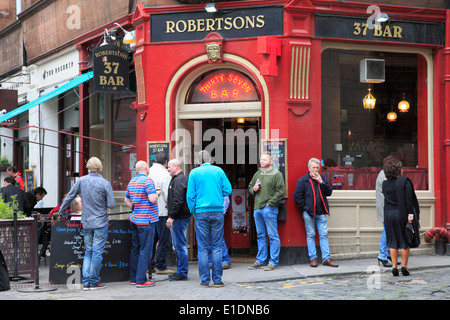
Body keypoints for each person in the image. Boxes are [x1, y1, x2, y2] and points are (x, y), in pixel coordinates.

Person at [59, 157, 115, 290]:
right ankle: (94, 281)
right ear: (100, 168)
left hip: (87, 221)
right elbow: (112, 205)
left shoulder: (82, 181)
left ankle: (86, 282)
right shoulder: (105, 183)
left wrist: (62, 210)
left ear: (88, 167)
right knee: (97, 252)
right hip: (101, 222)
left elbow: (70, 195)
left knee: (88, 251)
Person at [186, 150, 232, 287]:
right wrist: (218, 192)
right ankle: (217, 280)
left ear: (198, 161)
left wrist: (193, 211)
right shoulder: (219, 171)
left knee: (203, 248)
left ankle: (205, 281)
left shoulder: (194, 173)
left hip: (201, 212)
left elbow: (190, 196)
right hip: (217, 211)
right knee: (217, 246)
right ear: (210, 159)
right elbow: (228, 190)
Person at [294, 157, 338, 268]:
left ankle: (326, 258)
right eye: (313, 167)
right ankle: (313, 258)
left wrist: (321, 182)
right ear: (309, 168)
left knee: (324, 234)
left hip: (321, 212)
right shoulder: (302, 180)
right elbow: (297, 197)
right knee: (311, 235)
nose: (315, 169)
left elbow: (329, 192)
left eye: (317, 167)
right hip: (309, 213)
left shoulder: (322, 178)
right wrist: (305, 208)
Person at [382, 157, 420, 276]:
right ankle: (404, 266)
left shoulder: (385, 184)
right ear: (399, 170)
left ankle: (394, 267)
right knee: (404, 241)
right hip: (401, 213)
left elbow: (386, 200)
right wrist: (410, 215)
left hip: (389, 214)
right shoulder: (405, 181)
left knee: (393, 241)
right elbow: (409, 200)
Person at [248, 152, 285, 271]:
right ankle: (261, 260)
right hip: (257, 208)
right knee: (260, 235)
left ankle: (273, 261)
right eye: (261, 159)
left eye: (264, 160)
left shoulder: (277, 174)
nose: (261, 161)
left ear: (270, 162)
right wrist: (253, 189)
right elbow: (249, 187)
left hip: (269, 208)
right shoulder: (257, 173)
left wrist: (271, 203)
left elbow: (280, 191)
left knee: (273, 235)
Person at [125, 160, 159, 288]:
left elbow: (126, 199)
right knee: (146, 250)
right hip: (146, 221)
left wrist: (135, 208)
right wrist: (157, 194)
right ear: (145, 168)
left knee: (135, 249)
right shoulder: (148, 181)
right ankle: (141, 280)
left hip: (135, 220)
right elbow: (152, 198)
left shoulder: (132, 182)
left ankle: (134, 278)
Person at [148, 152, 174, 275]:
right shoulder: (165, 174)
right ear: (166, 163)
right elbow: (168, 195)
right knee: (164, 240)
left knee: (152, 240)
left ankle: (150, 265)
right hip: (162, 212)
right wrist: (172, 213)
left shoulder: (149, 172)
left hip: (149, 212)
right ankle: (161, 266)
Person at [166, 159, 191, 281]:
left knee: (180, 245)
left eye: (169, 166)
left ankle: (182, 272)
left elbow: (178, 200)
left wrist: (171, 216)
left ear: (176, 166)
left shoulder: (179, 180)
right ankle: (181, 271)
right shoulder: (180, 179)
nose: (168, 168)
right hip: (181, 217)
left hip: (179, 218)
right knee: (179, 245)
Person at [375, 156, 394, 267]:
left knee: (388, 231)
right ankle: (382, 255)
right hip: (386, 207)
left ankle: (387, 254)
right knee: (387, 231)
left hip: (385, 207)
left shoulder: (383, 174)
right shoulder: (384, 176)